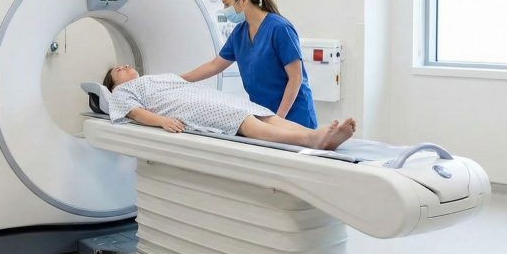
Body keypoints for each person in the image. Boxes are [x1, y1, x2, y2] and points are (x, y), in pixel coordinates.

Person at [102, 65, 355, 151]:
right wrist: (161, 121)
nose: (124, 66)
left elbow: (189, 79)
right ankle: (311, 139)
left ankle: (323, 137)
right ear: (113, 84)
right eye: (118, 70)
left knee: (261, 112)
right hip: (183, 106)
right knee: (242, 119)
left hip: (197, 94)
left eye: (126, 64)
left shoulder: (157, 76)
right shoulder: (121, 93)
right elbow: (134, 113)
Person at [181, 0, 317, 129]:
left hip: (293, 116)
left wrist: (279, 120)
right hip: (263, 115)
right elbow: (214, 65)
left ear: (243, 0)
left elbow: (296, 77)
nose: (225, 10)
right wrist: (179, 80)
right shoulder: (240, 33)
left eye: (227, 4)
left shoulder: (279, 28)